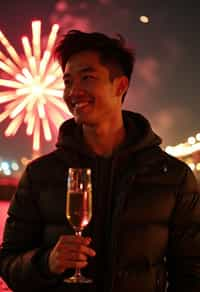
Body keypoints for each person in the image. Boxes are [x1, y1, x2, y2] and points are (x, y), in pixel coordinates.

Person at [0, 30, 200, 292]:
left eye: (88, 78)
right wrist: (46, 262)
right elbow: (9, 263)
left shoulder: (173, 177)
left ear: (120, 86)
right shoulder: (40, 175)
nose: (74, 91)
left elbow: (192, 271)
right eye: (68, 81)